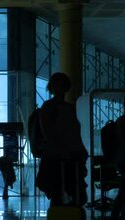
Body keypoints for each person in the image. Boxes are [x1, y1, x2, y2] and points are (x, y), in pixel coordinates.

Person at [35, 72, 88, 207]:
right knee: (69, 192)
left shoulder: (56, 107)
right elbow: (54, 132)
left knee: (62, 193)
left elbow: (50, 132)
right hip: (62, 156)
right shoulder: (59, 108)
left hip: (65, 155)